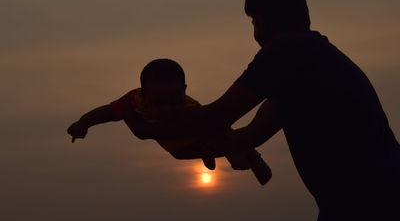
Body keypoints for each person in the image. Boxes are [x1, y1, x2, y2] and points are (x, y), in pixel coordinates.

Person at [127, 0, 400, 221]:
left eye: (254, 22)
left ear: (264, 20)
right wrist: (204, 147)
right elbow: (251, 135)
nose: (255, 33)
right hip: (361, 199)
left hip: (367, 200)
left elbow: (217, 116)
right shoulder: (311, 62)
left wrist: (150, 129)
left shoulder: (286, 51)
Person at [67, 58, 272, 185]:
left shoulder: (191, 107)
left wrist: (230, 147)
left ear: (184, 91)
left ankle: (249, 153)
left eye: (174, 102)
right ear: (145, 94)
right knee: (180, 154)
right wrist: (83, 123)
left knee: (227, 143)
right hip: (178, 148)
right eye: (160, 103)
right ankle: (214, 152)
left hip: (198, 137)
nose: (168, 108)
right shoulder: (133, 100)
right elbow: (108, 112)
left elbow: (218, 123)